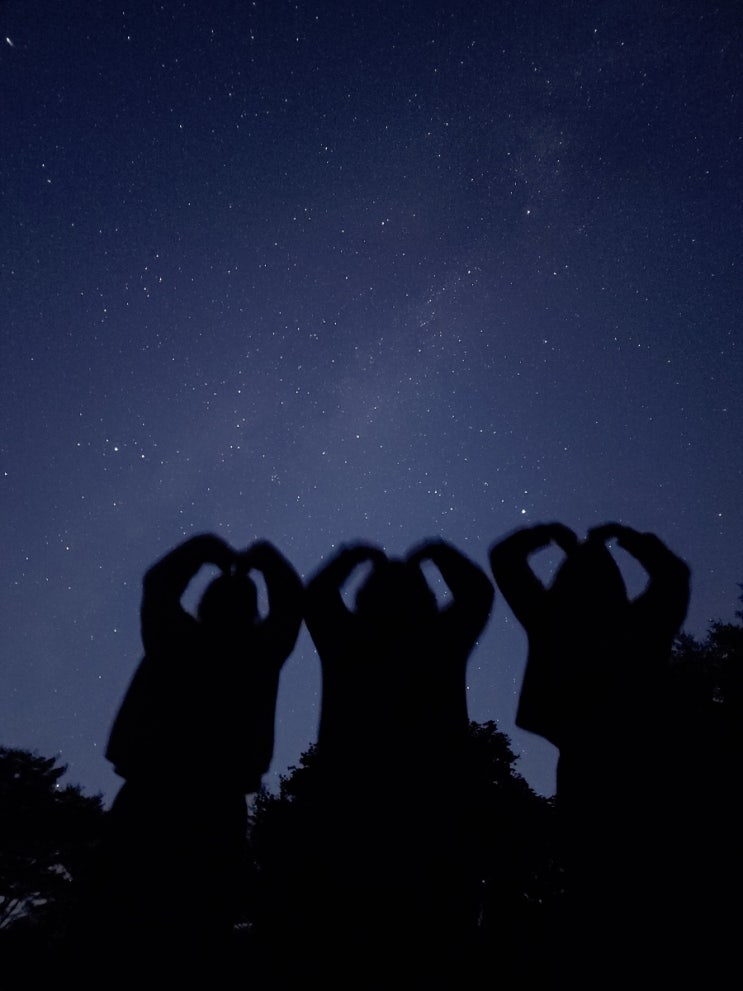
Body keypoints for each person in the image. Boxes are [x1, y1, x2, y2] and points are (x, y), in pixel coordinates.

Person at [87, 535, 302, 985]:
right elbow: (290, 604)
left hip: (148, 801)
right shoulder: (259, 656)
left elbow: (159, 583)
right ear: (252, 610)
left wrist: (207, 548)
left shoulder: (173, 640)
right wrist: (265, 560)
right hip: (215, 809)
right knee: (200, 937)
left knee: (117, 930)